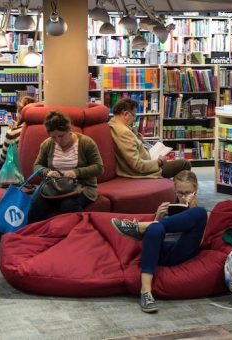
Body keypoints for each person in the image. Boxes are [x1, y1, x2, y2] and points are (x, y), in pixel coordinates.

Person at [111, 170, 206, 313]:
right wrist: (158, 218)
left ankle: (139, 228)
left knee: (200, 213)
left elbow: (201, 242)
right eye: (180, 193)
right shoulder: (169, 209)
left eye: (188, 193)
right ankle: (146, 293)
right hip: (161, 253)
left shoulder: (201, 213)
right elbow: (153, 240)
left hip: (182, 250)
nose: (183, 197)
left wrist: (191, 210)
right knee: (155, 228)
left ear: (196, 190)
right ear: (174, 191)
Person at [28, 110, 104, 223]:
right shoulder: (47, 144)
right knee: (35, 204)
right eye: (54, 137)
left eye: (61, 136)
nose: (58, 140)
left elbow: (99, 168)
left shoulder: (86, 143)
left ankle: (77, 236)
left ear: (69, 130)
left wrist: (76, 173)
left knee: (68, 205)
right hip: (54, 186)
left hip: (81, 186)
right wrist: (47, 172)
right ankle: (33, 234)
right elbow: (37, 166)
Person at [109, 98, 191, 179]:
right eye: (134, 115)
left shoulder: (114, 124)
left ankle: (175, 188)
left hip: (147, 163)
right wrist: (159, 162)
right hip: (144, 172)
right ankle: (180, 190)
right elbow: (137, 165)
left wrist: (137, 137)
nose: (134, 119)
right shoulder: (124, 132)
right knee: (185, 163)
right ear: (126, 114)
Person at [0, 96, 36, 176]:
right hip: (34, 169)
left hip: (15, 171)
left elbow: (2, 159)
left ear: (19, 113)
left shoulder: (13, 132)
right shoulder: (40, 129)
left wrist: (12, 130)